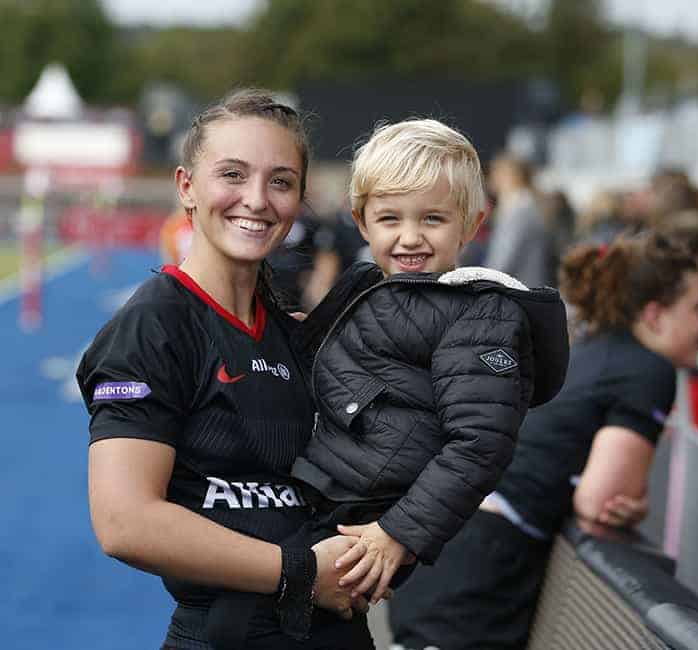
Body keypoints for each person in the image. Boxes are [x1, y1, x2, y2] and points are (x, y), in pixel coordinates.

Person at [209, 118, 569, 646]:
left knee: (244, 623)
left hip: (359, 522)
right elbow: (306, 351)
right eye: (390, 218)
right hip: (311, 493)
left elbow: (480, 444)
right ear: (361, 221)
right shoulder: (366, 283)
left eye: (433, 219)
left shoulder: (483, 314)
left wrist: (397, 534)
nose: (409, 237)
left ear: (471, 224)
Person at [76, 88, 377, 650]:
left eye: (281, 181)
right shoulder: (154, 325)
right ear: (187, 187)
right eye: (233, 174)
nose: (257, 200)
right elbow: (125, 522)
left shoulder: (298, 333)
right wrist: (301, 571)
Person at [389, 227, 698, 650]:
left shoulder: (597, 348)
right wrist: (636, 504)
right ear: (654, 314)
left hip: (447, 542)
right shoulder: (649, 369)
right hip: (480, 564)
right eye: (696, 308)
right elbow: (599, 500)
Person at [483, 153, 555, 287]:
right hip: (522, 286)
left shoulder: (519, 208)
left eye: (496, 173)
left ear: (509, 175)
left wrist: (483, 281)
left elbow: (504, 258)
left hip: (520, 288)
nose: (492, 179)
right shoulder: (523, 204)